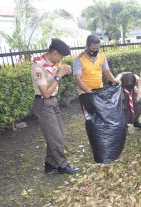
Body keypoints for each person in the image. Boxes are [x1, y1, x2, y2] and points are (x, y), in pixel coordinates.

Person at [31, 38, 80, 174]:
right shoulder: (38, 67)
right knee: (56, 137)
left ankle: (50, 164)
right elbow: (46, 93)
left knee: (55, 135)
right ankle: (63, 165)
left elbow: (51, 82)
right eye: (61, 56)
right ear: (54, 53)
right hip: (43, 103)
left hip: (52, 102)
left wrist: (62, 73)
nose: (60, 60)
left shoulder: (50, 64)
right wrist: (59, 75)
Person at [73, 35, 119, 119]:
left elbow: (106, 71)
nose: (95, 51)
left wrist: (113, 80)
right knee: (90, 117)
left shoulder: (102, 56)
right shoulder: (79, 59)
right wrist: (88, 91)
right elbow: (77, 79)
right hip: (85, 93)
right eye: (93, 49)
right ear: (87, 46)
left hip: (99, 91)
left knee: (101, 114)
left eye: (97, 48)